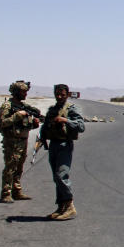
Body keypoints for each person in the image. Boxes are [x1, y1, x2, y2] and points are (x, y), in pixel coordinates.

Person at [40, 84, 85, 220]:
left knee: (61, 175)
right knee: (56, 177)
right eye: (57, 94)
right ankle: (61, 206)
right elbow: (46, 124)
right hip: (53, 145)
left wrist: (65, 120)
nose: (59, 97)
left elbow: (81, 126)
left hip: (64, 145)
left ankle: (70, 206)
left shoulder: (72, 109)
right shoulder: (53, 109)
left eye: (62, 94)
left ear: (67, 94)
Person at [0, 80, 42, 203]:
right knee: (10, 166)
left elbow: (25, 124)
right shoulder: (7, 106)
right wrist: (17, 115)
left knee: (19, 167)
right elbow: (3, 123)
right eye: (23, 92)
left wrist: (34, 124)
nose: (25, 94)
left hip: (22, 139)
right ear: (16, 92)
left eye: (26, 92)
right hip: (11, 141)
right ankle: (6, 193)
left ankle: (16, 191)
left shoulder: (23, 107)